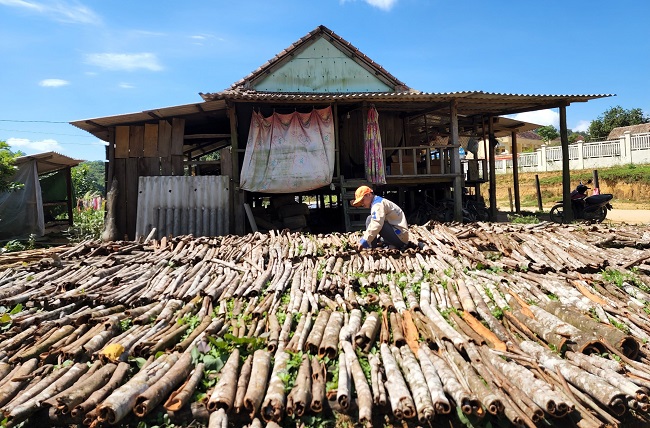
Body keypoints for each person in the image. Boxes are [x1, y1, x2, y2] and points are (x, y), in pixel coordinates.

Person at [350, 185, 409, 251]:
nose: (362, 204)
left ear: (369, 195)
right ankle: (373, 245)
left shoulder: (377, 205)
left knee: (372, 221)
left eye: (362, 200)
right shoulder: (379, 201)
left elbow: (377, 223)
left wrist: (365, 241)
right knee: (370, 219)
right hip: (399, 235)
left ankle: (371, 247)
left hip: (400, 237)